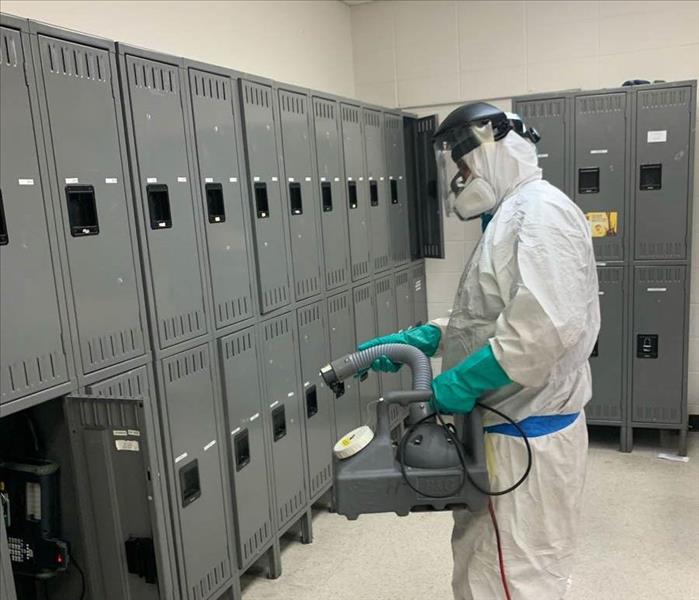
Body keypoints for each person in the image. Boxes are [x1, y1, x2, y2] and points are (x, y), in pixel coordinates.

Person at [358, 102, 600, 599]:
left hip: (523, 442)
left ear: (491, 145)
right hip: (505, 434)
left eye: (463, 163)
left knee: (511, 579)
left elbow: (542, 332)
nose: (459, 176)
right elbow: (497, 316)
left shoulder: (540, 215)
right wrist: (425, 337)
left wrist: (458, 382)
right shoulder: (513, 214)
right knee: (485, 563)